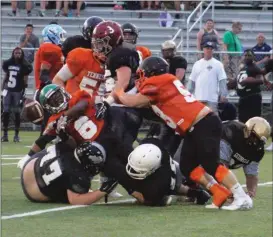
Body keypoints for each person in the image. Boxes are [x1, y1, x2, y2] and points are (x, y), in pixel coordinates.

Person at [115, 56, 253, 210]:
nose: (141, 79)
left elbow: (132, 101)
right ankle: (219, 192)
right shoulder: (165, 85)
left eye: (143, 75)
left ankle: (241, 197)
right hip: (194, 127)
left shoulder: (159, 81)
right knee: (187, 166)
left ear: (152, 73)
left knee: (211, 164)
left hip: (203, 123)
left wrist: (119, 90)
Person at [103, 137, 211, 206]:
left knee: (116, 169)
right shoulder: (153, 146)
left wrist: (132, 191)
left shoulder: (156, 187)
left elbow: (145, 199)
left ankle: (198, 191)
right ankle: (197, 192)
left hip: (165, 183)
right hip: (174, 174)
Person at [92, 21, 142, 149]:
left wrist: (107, 103)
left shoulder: (119, 54)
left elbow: (123, 83)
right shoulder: (115, 54)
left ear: (112, 40)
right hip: (121, 108)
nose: (98, 45)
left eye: (101, 41)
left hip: (122, 109)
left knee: (117, 150)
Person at [21, 140, 118, 204]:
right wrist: (104, 190)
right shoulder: (76, 173)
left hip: (29, 165)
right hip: (34, 191)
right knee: (68, 191)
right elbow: (75, 200)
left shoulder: (67, 146)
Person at [220, 117, 271, 198]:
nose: (256, 143)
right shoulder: (231, 131)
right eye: (255, 137)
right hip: (201, 150)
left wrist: (251, 191)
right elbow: (220, 167)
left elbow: (251, 174)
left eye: (259, 141)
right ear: (247, 131)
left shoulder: (258, 151)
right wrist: (233, 190)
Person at [34, 23, 66, 135]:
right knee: (50, 125)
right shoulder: (49, 48)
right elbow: (43, 75)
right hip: (48, 91)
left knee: (54, 124)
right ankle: (40, 150)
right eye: (60, 35)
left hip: (50, 90)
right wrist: (57, 87)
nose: (62, 38)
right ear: (53, 35)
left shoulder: (55, 48)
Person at [1, 47, 33, 142]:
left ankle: (16, 135)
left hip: (17, 91)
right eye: (16, 53)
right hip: (8, 90)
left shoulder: (24, 65)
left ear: (22, 54)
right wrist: (2, 89)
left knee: (17, 113)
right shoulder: (8, 63)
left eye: (19, 53)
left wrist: (25, 89)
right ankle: (5, 135)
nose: (17, 55)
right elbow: (6, 76)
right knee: (5, 112)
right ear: (13, 54)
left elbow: (26, 76)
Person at [188, 41, 228, 114]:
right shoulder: (197, 64)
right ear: (203, 49)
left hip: (212, 99)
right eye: (207, 48)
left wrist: (223, 94)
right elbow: (192, 81)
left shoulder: (218, 64)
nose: (209, 50)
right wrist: (188, 94)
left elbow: (222, 80)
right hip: (198, 98)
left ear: (213, 50)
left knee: (212, 120)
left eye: (211, 48)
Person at [237, 49, 264, 123]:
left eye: (249, 55)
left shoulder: (255, 67)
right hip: (243, 98)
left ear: (253, 57)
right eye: (245, 55)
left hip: (253, 98)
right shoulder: (243, 68)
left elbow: (261, 80)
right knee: (242, 121)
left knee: (253, 122)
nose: (247, 57)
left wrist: (248, 81)